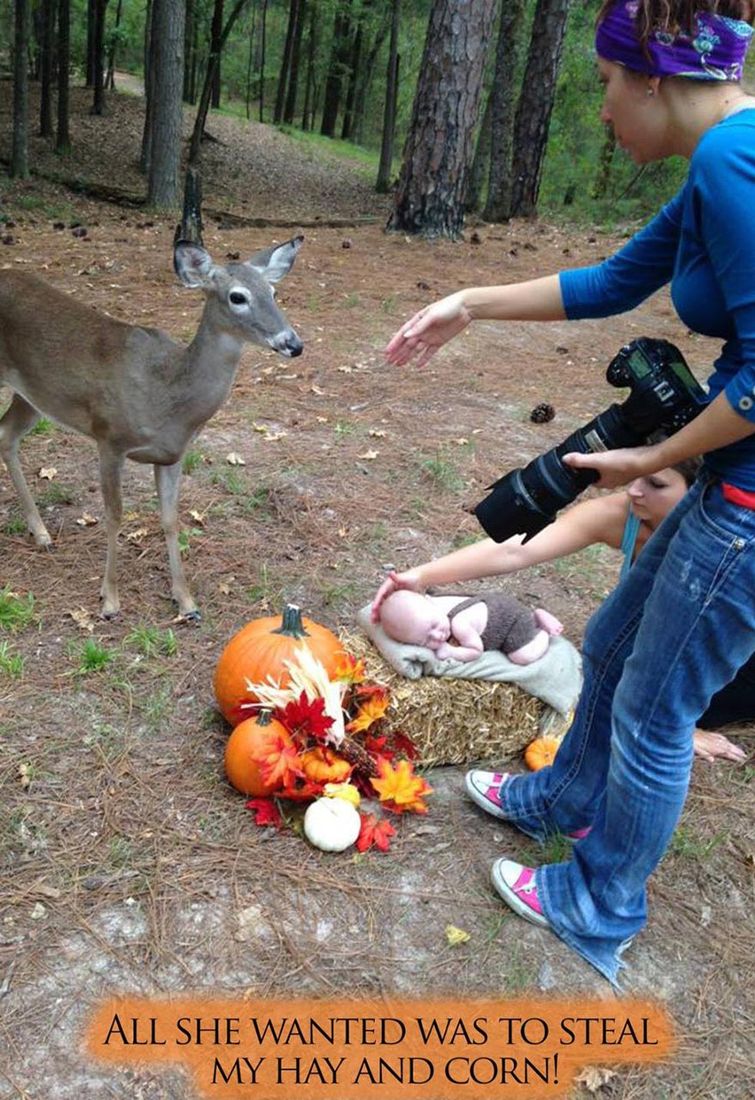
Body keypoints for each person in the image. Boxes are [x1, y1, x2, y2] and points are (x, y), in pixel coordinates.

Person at [381, 0, 755, 986]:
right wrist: (467, 300)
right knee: (617, 639)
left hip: (748, 512)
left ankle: (598, 905)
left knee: (653, 707)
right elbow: (611, 278)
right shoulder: (722, 161)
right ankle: (562, 797)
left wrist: (646, 459)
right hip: (731, 486)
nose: (597, 110)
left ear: (650, 79)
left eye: (600, 84)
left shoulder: (730, 160)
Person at [371, 454, 750, 763]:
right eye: (636, 474)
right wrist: (418, 577)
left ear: (704, 491)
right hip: (664, 639)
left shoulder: (731, 544)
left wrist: (674, 722)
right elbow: (514, 548)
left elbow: (707, 639)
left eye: (657, 484)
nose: (635, 489)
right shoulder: (626, 513)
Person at [377, 588, 564, 664]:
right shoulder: (431, 607)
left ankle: (541, 627)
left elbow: (476, 651)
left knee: (520, 656)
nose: (438, 636)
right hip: (493, 604)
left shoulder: (459, 624)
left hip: (511, 622)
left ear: (430, 603)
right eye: (426, 640)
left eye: (434, 625)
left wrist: (451, 652)